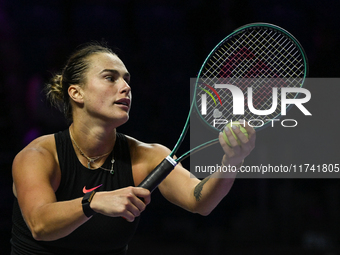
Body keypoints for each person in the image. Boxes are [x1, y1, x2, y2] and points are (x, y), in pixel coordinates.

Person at [11, 42, 256, 255]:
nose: (126, 87)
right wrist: (93, 202)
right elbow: (39, 225)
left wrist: (232, 161)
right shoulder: (39, 156)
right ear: (76, 93)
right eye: (110, 77)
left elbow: (200, 201)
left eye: (126, 79)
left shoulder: (148, 155)